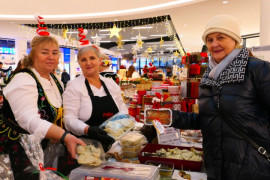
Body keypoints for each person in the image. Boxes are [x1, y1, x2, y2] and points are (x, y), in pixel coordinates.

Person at [172, 15, 270, 180]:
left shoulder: (257, 69)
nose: (214, 44)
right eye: (209, 39)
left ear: (234, 40)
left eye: (220, 37)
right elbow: (208, 120)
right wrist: (171, 117)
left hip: (252, 169)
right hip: (216, 166)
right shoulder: (208, 77)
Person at [0, 36, 85, 179]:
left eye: (55, 53)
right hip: (15, 148)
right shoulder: (24, 79)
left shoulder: (55, 80)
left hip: (39, 148)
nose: (51, 57)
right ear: (32, 55)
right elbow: (29, 120)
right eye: (44, 52)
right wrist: (63, 135)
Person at [61, 45, 128, 174]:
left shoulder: (110, 84)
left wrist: (117, 127)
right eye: (83, 59)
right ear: (79, 63)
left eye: (92, 58)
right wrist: (88, 129)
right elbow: (69, 119)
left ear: (99, 60)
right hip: (85, 150)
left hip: (112, 147)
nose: (88, 62)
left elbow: (123, 109)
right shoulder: (74, 86)